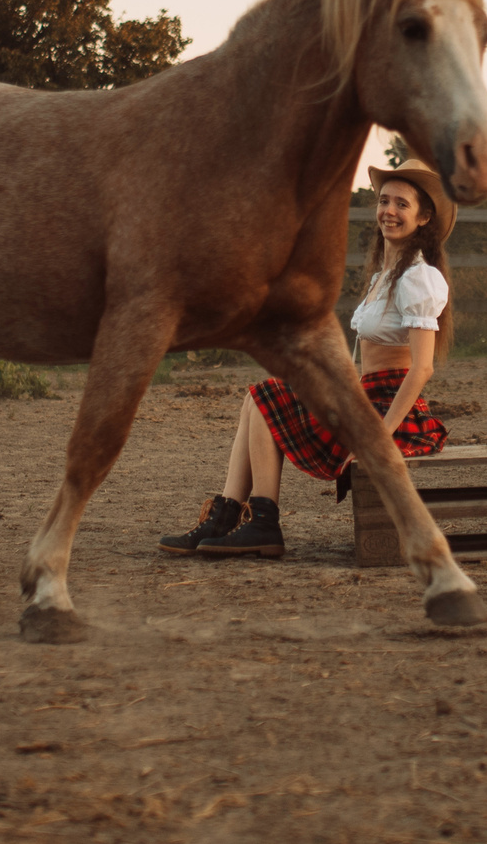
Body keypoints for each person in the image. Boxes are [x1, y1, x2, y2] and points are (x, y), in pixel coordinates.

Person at [161, 160, 454, 559]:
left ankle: (263, 522)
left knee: (268, 396)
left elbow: (422, 369)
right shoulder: (385, 275)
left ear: (423, 217)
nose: (389, 211)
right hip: (366, 397)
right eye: (384, 201)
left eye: (402, 204)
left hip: (389, 412)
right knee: (258, 397)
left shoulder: (418, 278)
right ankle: (227, 516)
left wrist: (377, 438)